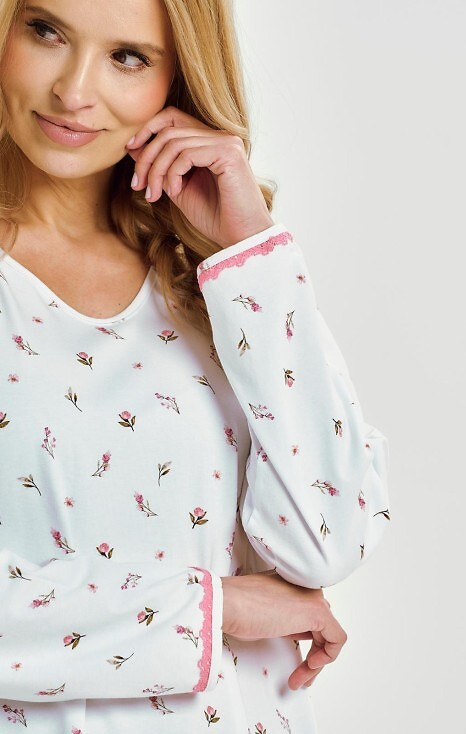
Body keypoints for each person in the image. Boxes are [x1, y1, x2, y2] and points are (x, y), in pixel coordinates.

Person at [0, 1, 391, 732]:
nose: (74, 91)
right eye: (46, 31)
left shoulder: (211, 284)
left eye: (128, 57)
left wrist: (250, 252)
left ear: (177, 81)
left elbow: (328, 540)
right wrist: (215, 610)